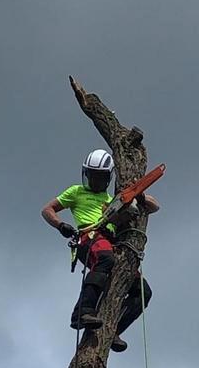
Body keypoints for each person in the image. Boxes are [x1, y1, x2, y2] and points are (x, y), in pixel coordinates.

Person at [41, 149, 160, 352]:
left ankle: (114, 329)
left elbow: (154, 205)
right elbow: (48, 209)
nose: (95, 181)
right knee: (105, 258)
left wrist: (138, 197)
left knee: (142, 292)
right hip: (90, 238)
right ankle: (82, 311)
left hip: (111, 242)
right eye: (92, 176)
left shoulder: (111, 199)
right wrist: (61, 226)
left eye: (100, 177)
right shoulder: (76, 192)